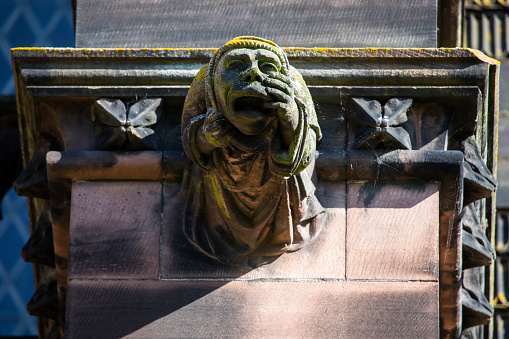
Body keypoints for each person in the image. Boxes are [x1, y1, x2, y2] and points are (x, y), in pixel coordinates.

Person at [181, 36, 325, 267]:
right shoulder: (204, 81)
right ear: (215, 78)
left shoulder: (293, 82)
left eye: (267, 66)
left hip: (278, 189)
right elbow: (189, 138)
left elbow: (307, 147)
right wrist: (206, 138)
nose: (253, 74)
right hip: (220, 193)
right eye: (236, 65)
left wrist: (291, 117)